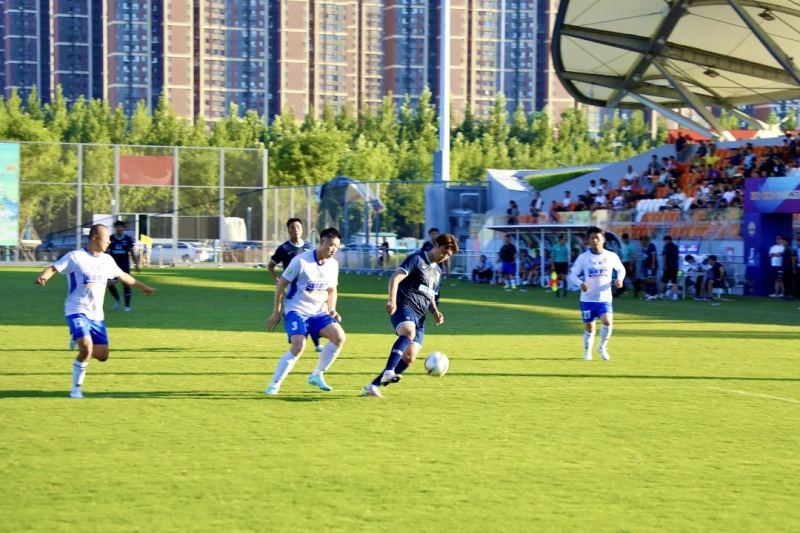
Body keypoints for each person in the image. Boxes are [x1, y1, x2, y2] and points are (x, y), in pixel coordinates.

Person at [34, 224, 156, 398]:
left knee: (102, 355)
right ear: (95, 238)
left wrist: (143, 287)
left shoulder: (107, 260)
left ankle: (76, 337)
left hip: (96, 315)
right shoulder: (76, 256)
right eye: (107, 239)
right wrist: (44, 276)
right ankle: (76, 389)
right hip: (76, 309)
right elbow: (54, 268)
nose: (109, 242)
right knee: (86, 349)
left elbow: (123, 276)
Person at [362, 233, 458, 397]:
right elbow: (395, 278)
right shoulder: (417, 259)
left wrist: (435, 312)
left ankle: (372, 387)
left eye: (448, 255)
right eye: (444, 252)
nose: (445, 257)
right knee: (408, 332)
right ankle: (389, 371)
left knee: (409, 357)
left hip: (420, 316)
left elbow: (430, 294)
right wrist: (392, 300)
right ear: (435, 245)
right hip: (404, 305)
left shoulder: (438, 272)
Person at [264, 228, 346, 395]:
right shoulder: (300, 261)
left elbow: (332, 289)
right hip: (297, 310)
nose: (333, 250)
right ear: (321, 242)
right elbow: (281, 285)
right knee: (298, 346)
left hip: (320, 312)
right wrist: (276, 311)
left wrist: (332, 309)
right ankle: (274, 384)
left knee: (339, 337)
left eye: (337, 247)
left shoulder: (333, 264)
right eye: (331, 245)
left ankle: (317, 375)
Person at [568, 226, 625, 361]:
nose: (595, 240)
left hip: (604, 298)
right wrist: (580, 284)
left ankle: (602, 347)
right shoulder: (583, 258)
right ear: (588, 240)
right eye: (592, 238)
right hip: (587, 299)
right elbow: (573, 275)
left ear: (603, 239)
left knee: (608, 322)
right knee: (590, 328)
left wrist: (620, 279)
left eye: (597, 237)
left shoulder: (611, 256)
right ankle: (587, 352)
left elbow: (621, 269)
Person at [268, 218, 323, 353]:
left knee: (312, 310)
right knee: (296, 310)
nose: (296, 229)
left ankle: (317, 343)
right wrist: (277, 280)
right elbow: (270, 266)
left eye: (298, 227)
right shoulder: (284, 248)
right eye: (292, 227)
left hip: (308, 286)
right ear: (288, 230)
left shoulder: (309, 247)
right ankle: (294, 332)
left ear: (302, 229)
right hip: (292, 287)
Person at [106, 220, 139, 311]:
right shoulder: (111, 238)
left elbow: (132, 252)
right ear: (115, 228)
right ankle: (117, 299)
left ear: (123, 228)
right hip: (113, 266)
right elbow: (106, 251)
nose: (119, 228)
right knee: (110, 284)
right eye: (117, 227)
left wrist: (136, 264)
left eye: (121, 227)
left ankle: (127, 306)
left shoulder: (127, 239)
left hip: (124, 265)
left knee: (126, 284)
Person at [660, 235, 680, 300]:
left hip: (668, 266)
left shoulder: (666, 246)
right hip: (675, 266)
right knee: (674, 281)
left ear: (667, 240)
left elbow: (664, 255)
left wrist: (665, 264)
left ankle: (662, 294)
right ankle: (675, 295)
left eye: (664, 241)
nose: (664, 242)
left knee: (664, 280)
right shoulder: (676, 247)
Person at [640, 235, 658, 300]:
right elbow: (643, 257)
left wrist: (653, 265)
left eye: (642, 240)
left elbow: (653, 255)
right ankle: (647, 293)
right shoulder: (644, 247)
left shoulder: (651, 246)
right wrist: (641, 266)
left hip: (650, 265)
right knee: (646, 279)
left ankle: (654, 294)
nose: (641, 242)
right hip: (645, 265)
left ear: (646, 240)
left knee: (651, 279)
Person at [781, 236, 795, 301]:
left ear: (787, 242)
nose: (783, 243)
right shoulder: (785, 249)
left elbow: (793, 258)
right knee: (785, 281)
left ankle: (790, 295)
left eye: (784, 241)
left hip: (789, 268)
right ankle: (786, 295)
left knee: (789, 282)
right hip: (785, 268)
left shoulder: (790, 248)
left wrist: (793, 267)